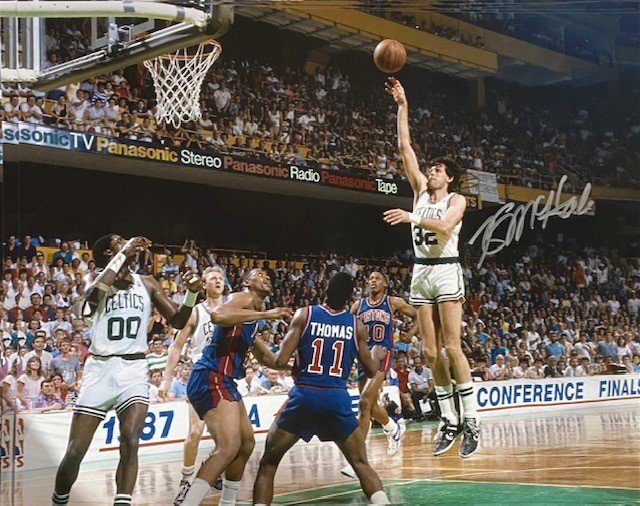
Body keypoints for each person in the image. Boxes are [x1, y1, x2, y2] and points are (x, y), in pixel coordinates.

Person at [52, 235, 200, 506]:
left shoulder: (147, 283)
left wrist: (191, 293)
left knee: (131, 441)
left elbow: (178, 320)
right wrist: (125, 253)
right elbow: (92, 298)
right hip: (100, 370)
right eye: (120, 242)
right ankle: (58, 501)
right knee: (75, 451)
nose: (128, 243)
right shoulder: (93, 279)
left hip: (134, 369)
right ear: (109, 253)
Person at [383, 77, 479, 458]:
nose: (432, 171)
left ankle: (471, 419)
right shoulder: (420, 190)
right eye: (432, 168)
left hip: (446, 269)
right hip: (421, 271)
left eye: (438, 169)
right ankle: (449, 419)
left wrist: (411, 217)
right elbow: (404, 147)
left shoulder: (457, 200)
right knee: (429, 351)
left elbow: (444, 225)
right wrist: (403, 105)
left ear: (449, 177)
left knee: (452, 348)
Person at [253, 272, 390, 505]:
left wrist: (256, 343)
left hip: (305, 395)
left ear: (325, 290)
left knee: (269, 463)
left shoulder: (305, 314)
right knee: (360, 464)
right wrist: (376, 356)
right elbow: (370, 370)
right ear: (350, 298)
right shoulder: (356, 325)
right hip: (336, 397)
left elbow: (279, 360)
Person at [177, 269, 293, 505]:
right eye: (260, 274)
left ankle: (227, 502)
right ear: (247, 282)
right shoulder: (244, 297)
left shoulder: (250, 319)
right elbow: (217, 315)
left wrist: (296, 364)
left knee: (246, 444)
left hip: (224, 380)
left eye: (267, 276)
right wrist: (268, 314)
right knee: (228, 447)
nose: (266, 277)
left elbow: (268, 359)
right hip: (211, 375)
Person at [159, 266, 226, 499]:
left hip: (224, 375)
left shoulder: (231, 309)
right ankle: (186, 481)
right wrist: (166, 380)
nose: (218, 281)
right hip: (201, 375)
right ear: (204, 285)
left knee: (227, 436)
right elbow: (176, 346)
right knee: (196, 432)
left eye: (221, 278)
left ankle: (212, 469)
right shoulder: (196, 312)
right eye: (213, 278)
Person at [341, 271, 416, 477]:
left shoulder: (392, 302)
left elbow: (418, 314)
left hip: (383, 354)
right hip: (363, 356)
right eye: (370, 279)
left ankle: (357, 460)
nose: (372, 281)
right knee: (371, 407)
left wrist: (411, 332)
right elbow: (346, 328)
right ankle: (393, 428)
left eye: (377, 278)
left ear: (385, 284)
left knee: (364, 402)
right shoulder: (358, 306)